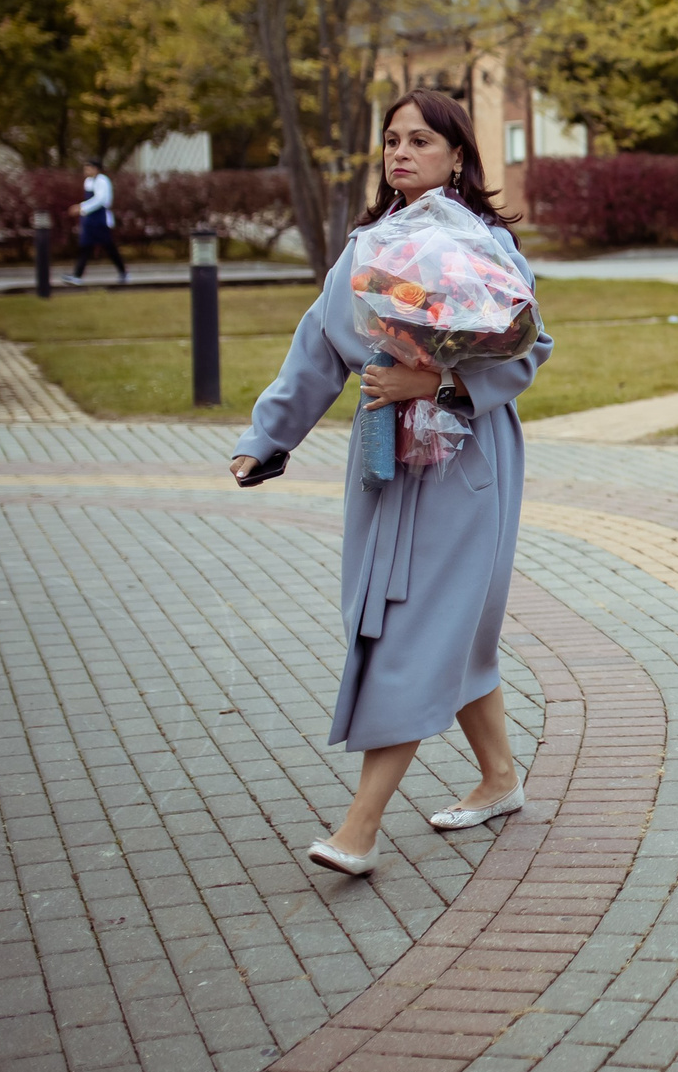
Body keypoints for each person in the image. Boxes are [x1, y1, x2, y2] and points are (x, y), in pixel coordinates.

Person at [228, 89, 552, 876]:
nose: (400, 153)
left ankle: (359, 828)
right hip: (384, 461)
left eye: (420, 141)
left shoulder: (481, 245)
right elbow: (318, 347)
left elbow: (527, 346)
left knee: (412, 632)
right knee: (447, 626)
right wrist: (267, 438)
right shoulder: (368, 248)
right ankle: (500, 778)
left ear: (457, 157)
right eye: (391, 140)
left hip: (466, 462)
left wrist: (437, 385)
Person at [65, 156, 127, 285]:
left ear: (96, 169)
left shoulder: (103, 181)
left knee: (109, 247)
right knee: (85, 246)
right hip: (89, 219)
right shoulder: (88, 181)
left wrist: (81, 207)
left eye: (88, 168)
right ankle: (77, 275)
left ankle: (123, 273)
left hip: (100, 220)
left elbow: (100, 200)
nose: (86, 170)